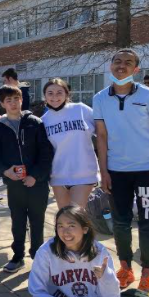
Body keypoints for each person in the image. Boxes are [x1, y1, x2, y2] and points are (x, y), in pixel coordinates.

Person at [93, 49, 149, 295]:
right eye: (117, 61)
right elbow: (102, 136)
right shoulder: (99, 98)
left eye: (128, 63)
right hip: (117, 173)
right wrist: (103, 171)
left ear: (135, 69)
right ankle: (125, 267)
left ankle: (148, 273)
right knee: (120, 222)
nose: (121, 66)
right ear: (110, 66)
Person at [26, 205, 138, 297]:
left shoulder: (99, 252)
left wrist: (106, 277)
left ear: (85, 229)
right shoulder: (46, 251)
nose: (65, 231)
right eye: (60, 226)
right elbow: (37, 290)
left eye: (71, 225)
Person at [0, 85, 54, 273]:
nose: (13, 103)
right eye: (8, 100)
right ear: (2, 104)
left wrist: (35, 175)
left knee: (37, 221)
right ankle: (18, 256)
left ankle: (37, 256)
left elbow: (46, 153)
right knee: (17, 221)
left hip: (37, 184)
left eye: (16, 99)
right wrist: (5, 172)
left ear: (21, 100)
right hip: (14, 184)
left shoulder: (35, 122)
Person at [41, 78, 99, 209]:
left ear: (67, 94)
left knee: (76, 214)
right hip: (58, 175)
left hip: (84, 174)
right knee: (65, 216)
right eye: (50, 93)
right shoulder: (43, 120)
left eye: (59, 92)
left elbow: (103, 134)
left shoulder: (81, 110)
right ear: (44, 96)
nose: (55, 97)